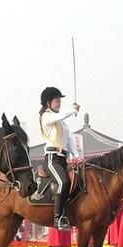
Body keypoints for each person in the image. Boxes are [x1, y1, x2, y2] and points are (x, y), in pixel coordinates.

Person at [39, 87, 81, 230]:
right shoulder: (46, 116)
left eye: (59, 101)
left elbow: (68, 140)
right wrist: (73, 110)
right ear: (48, 102)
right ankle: (58, 218)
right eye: (57, 101)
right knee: (63, 181)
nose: (59, 103)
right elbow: (61, 115)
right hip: (52, 159)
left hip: (63, 158)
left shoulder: (62, 123)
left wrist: (77, 156)